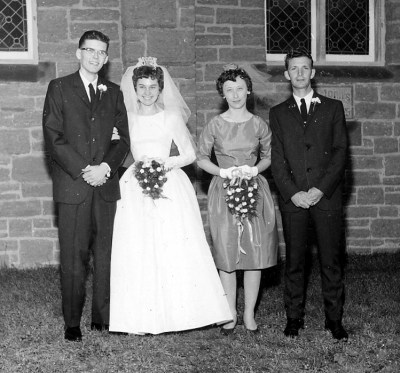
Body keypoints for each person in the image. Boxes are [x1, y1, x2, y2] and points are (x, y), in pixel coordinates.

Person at [109, 57, 232, 335]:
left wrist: (163, 164)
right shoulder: (125, 118)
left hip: (167, 181)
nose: (148, 92)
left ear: (161, 88)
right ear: (134, 88)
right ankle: (138, 316)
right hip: (135, 185)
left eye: (153, 86)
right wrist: (141, 167)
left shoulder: (171, 117)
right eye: (142, 86)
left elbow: (189, 154)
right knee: (138, 246)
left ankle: (180, 314)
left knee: (171, 244)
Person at [42, 30, 130, 342]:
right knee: (73, 256)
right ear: (79, 53)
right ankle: (72, 323)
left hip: (105, 186)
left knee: (105, 254)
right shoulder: (59, 87)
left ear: (106, 58)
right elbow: (53, 137)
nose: (95, 56)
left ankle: (101, 318)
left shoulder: (114, 92)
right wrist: (85, 170)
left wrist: (105, 167)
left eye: (101, 52)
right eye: (89, 50)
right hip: (73, 186)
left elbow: (123, 140)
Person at [269, 48, 348, 340]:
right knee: (295, 261)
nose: (300, 73)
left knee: (331, 260)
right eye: (294, 68)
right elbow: (277, 160)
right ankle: (293, 319)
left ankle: (334, 320)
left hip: (326, 197)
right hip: (295, 200)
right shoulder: (278, 113)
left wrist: (319, 189)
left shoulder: (332, 107)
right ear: (287, 74)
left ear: (312, 73)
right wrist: (293, 194)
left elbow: (340, 153)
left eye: (305, 68)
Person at [197, 64, 278, 334]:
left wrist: (255, 169)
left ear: (248, 91)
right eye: (229, 90)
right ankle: (229, 311)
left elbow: (269, 155)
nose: (235, 95)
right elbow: (200, 157)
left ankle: (249, 313)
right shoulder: (215, 125)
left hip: (254, 190)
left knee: (255, 251)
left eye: (239, 89)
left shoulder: (258, 124)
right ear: (223, 93)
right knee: (227, 250)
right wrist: (223, 171)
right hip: (224, 191)